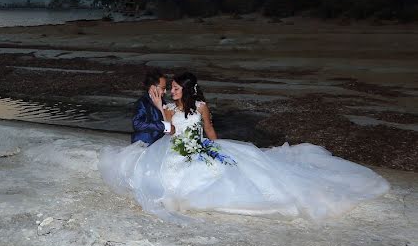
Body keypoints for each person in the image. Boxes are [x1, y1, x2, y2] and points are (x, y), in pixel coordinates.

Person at [99, 72, 390, 223]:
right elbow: (170, 127)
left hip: (197, 146)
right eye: (170, 87)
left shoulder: (200, 106)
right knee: (160, 176)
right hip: (175, 146)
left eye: (174, 87)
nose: (171, 91)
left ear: (186, 90)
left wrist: (212, 149)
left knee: (222, 172)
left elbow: (210, 130)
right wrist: (157, 106)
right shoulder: (171, 106)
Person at [131, 69, 170, 145]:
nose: (165, 91)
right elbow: (137, 124)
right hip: (143, 145)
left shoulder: (163, 102)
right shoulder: (142, 102)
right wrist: (163, 126)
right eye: (163, 88)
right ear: (153, 88)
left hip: (158, 146)